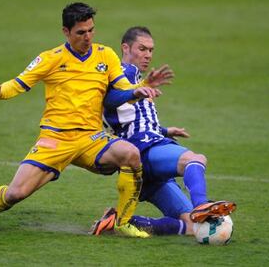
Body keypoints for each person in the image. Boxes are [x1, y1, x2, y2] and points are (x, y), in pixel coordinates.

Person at [0, 4, 173, 238]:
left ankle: (122, 222)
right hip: (55, 139)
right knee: (16, 193)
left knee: (130, 154)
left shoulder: (105, 55)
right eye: (81, 32)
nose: (87, 37)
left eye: (91, 30)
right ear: (66, 32)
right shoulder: (50, 58)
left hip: (91, 138)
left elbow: (123, 88)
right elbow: (17, 84)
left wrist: (141, 88)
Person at [90, 26, 236, 236]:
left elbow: (129, 118)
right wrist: (137, 91)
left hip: (144, 157)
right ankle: (202, 205)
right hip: (145, 148)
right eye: (142, 48)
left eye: (151, 50)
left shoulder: (136, 80)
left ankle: (116, 221)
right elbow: (110, 102)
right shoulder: (124, 73)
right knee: (195, 159)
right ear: (125, 48)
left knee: (193, 227)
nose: (148, 55)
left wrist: (166, 130)